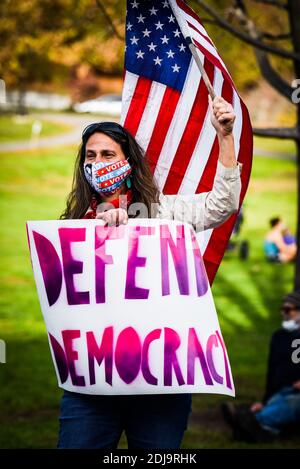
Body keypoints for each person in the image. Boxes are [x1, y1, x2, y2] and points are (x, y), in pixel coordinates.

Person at [58, 95, 242, 449]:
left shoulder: (166, 213)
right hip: (92, 383)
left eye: (108, 155)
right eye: (91, 156)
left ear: (128, 160)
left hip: (161, 378)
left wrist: (225, 137)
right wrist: (98, 231)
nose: (98, 163)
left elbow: (223, 204)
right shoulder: (72, 228)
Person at [222, 291, 300, 443]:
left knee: (292, 403)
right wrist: (265, 400)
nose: (283, 314)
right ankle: (254, 425)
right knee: (279, 402)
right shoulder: (278, 337)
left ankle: (248, 423)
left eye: (288, 310)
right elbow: (272, 372)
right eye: (282, 310)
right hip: (281, 392)